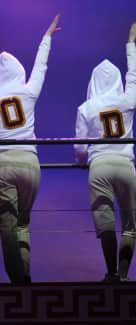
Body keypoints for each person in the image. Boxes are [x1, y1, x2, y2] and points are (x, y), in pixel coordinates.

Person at [0, 15, 60, 284]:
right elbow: (40, 67)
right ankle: (25, 273)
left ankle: (17, 281)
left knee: (7, 224)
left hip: (3, 164)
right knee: (23, 223)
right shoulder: (28, 92)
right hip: (31, 163)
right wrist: (46, 38)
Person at [74, 23, 136, 283]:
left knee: (105, 220)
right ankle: (124, 275)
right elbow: (134, 74)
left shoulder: (86, 108)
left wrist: (82, 161)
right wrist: (130, 43)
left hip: (99, 166)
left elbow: (79, 147)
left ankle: (110, 273)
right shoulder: (128, 101)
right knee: (130, 224)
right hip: (126, 165)